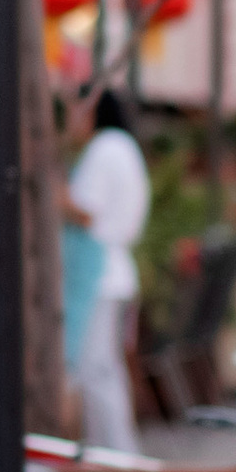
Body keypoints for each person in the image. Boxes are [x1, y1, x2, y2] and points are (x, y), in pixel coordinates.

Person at [66, 85, 151, 452]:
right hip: (114, 271)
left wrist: (51, 193)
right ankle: (114, 455)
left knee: (95, 372)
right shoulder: (125, 148)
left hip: (98, 273)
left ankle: (112, 458)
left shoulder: (104, 149)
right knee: (105, 370)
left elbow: (86, 210)